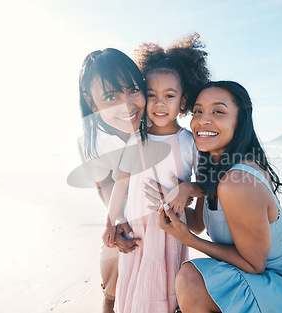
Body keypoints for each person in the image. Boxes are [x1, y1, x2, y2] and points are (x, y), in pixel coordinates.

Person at [157, 81, 282, 313]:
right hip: (259, 275)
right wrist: (177, 198)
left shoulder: (239, 183)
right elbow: (199, 223)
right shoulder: (213, 166)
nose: (203, 120)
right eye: (198, 111)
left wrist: (188, 240)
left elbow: (254, 265)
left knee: (190, 280)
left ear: (240, 120)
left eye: (218, 111)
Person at [103, 33, 210, 313]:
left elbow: (207, 183)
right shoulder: (136, 140)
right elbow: (121, 184)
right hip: (137, 234)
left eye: (169, 96)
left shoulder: (189, 142)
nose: (160, 103)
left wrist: (186, 189)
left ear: (183, 100)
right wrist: (110, 221)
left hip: (169, 236)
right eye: (151, 95)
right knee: (134, 293)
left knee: (163, 295)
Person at [76, 48, 145, 313]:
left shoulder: (154, 125)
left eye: (133, 90)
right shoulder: (90, 142)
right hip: (120, 215)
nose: (127, 105)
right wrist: (118, 222)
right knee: (112, 285)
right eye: (110, 96)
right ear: (91, 102)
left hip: (155, 219)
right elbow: (103, 185)